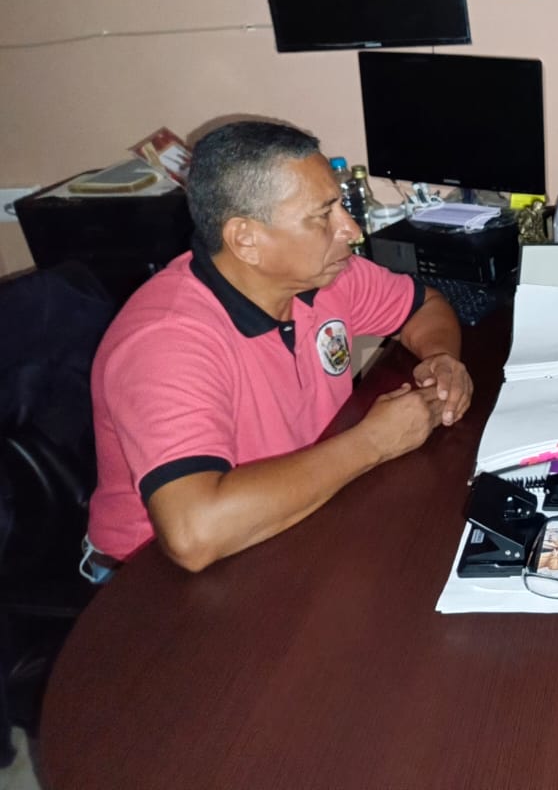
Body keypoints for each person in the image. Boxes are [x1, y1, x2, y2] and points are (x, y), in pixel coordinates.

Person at [81, 120, 473, 578]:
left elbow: (424, 306)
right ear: (245, 239)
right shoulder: (166, 341)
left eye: (340, 206)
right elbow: (193, 534)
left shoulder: (323, 277)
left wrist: (440, 358)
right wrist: (374, 442)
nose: (351, 230)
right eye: (322, 216)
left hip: (287, 523)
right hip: (151, 579)